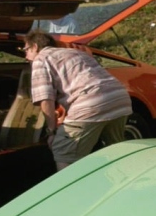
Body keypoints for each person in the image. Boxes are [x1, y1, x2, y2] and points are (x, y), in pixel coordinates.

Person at [23, 29, 131, 170]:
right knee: (115, 149)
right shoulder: (76, 53)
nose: (25, 56)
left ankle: (72, 191)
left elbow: (45, 99)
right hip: (120, 98)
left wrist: (51, 132)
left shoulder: (41, 59)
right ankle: (125, 181)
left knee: (63, 153)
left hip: (91, 102)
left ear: (35, 47)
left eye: (25, 50)